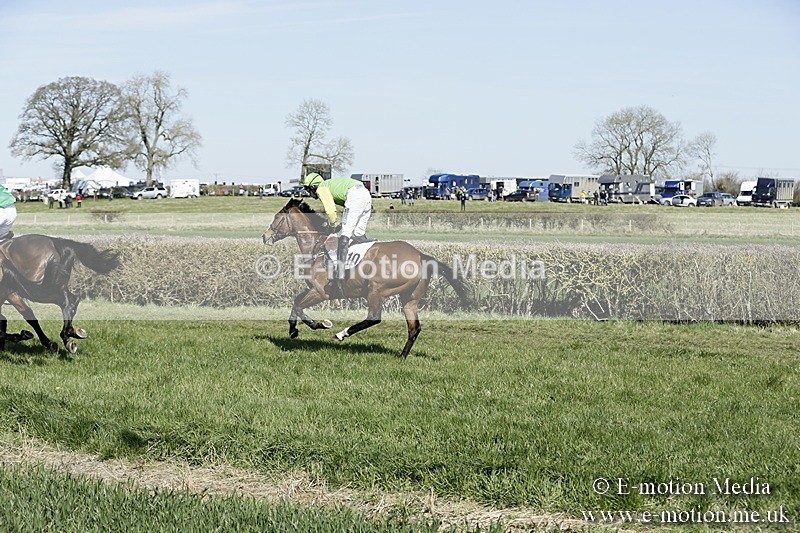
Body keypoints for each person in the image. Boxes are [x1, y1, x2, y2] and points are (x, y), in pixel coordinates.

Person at [302, 172, 372, 296]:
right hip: (365, 194)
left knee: (345, 234)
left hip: (355, 195)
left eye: (308, 190)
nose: (309, 194)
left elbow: (331, 211)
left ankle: (339, 277)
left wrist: (332, 226)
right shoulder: (330, 185)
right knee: (359, 234)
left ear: (313, 186)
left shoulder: (321, 188)